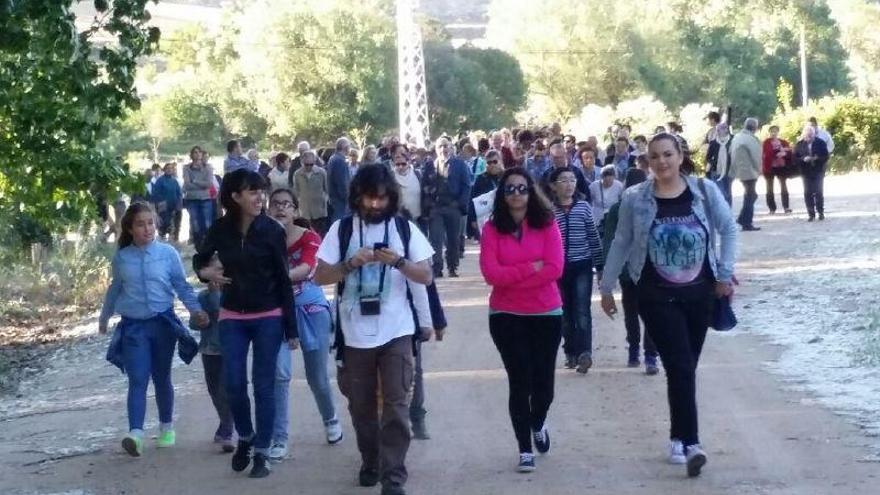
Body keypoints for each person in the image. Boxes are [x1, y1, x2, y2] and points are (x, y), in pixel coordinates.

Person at [600, 133, 737, 478]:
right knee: (678, 363)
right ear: (647, 161)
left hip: (700, 292)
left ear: (680, 156)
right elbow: (622, 241)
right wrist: (606, 286)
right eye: (655, 157)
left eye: (667, 155)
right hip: (655, 294)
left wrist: (725, 273)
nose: (662, 162)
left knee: (686, 365)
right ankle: (691, 443)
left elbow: (729, 230)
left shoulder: (704, 192)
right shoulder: (635, 198)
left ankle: (678, 435)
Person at [314, 164, 434, 495]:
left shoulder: (404, 229)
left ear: (391, 198)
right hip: (354, 335)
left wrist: (398, 262)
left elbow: (425, 276)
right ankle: (371, 460)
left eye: (382, 198)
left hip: (397, 331)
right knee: (361, 406)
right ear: (357, 197)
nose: (376, 205)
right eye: (369, 198)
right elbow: (320, 276)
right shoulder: (341, 230)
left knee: (396, 404)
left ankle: (393, 476)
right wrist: (350, 264)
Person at [193, 169, 298, 479]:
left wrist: (291, 328)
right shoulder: (220, 229)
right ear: (235, 197)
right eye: (252, 191)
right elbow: (200, 259)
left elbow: (283, 280)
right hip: (232, 317)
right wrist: (205, 273)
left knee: (264, 385)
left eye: (261, 191)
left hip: (268, 316)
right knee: (234, 384)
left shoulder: (272, 231)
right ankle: (246, 437)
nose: (260, 197)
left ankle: (262, 452)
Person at [99, 202, 209, 457]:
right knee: (137, 378)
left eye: (150, 222)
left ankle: (166, 427)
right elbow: (115, 288)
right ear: (130, 228)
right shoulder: (122, 257)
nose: (147, 228)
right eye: (140, 224)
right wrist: (104, 317)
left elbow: (181, 286)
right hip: (134, 327)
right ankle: (135, 433)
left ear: (156, 224)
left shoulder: (168, 254)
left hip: (163, 324)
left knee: (161, 377)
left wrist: (195, 310)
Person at [480, 168, 564, 473]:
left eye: (522, 188)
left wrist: (512, 277)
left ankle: (538, 422)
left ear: (531, 192)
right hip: (506, 315)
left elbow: (555, 268)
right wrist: (531, 268)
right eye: (510, 189)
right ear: (502, 195)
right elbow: (491, 274)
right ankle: (524, 449)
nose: (516, 194)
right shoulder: (491, 230)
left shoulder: (547, 224)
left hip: (545, 313)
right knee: (520, 381)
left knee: (544, 387)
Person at [266, 189, 343, 461]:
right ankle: (279, 438)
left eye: (287, 205)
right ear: (267, 209)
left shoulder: (310, 238)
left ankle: (331, 418)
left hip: (311, 311)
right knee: (279, 376)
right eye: (275, 204)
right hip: (274, 314)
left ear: (296, 211)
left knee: (317, 377)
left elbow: (308, 268)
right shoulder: (262, 239)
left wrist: (274, 277)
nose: (281, 209)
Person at [601, 169, 659, 374]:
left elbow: (610, 242)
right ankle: (650, 356)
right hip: (649, 269)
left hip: (626, 270)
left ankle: (634, 351)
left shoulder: (617, 209)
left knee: (631, 312)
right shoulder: (652, 205)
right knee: (651, 313)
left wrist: (607, 273)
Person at [549, 167, 603, 374]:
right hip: (558, 269)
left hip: (582, 266)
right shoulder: (549, 211)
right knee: (563, 312)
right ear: (554, 186)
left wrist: (600, 267)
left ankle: (584, 353)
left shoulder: (583, 208)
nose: (569, 184)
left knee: (582, 310)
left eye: (572, 180)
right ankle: (570, 352)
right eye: (563, 180)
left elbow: (593, 237)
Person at [189, 259, 236, 453]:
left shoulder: (232, 295)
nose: (216, 275)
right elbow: (194, 323)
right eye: (212, 270)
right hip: (209, 349)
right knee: (214, 390)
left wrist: (216, 294)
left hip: (229, 349)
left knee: (226, 389)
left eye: (220, 270)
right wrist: (201, 321)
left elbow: (221, 312)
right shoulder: (202, 296)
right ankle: (225, 422)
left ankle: (229, 429)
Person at [422, 137, 471, 278]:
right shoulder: (430, 165)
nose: (443, 149)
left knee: (453, 239)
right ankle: (437, 268)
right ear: (436, 149)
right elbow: (424, 185)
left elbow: (467, 185)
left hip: (453, 207)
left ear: (451, 148)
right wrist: (427, 206)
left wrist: (461, 204)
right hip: (436, 208)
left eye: (446, 146)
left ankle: (452, 266)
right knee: (435, 239)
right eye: (440, 147)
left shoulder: (460, 165)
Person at [730, 118, 763, 231]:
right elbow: (756, 156)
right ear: (754, 127)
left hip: (740, 170)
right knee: (751, 196)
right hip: (749, 171)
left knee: (750, 195)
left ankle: (743, 219)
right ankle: (746, 221)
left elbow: (731, 153)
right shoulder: (750, 139)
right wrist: (759, 169)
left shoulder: (737, 137)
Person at [794, 125, 830, 222]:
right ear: (804, 135)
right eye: (807, 136)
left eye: (811, 135)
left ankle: (820, 212)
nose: (809, 138)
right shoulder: (799, 144)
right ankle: (811, 214)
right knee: (807, 192)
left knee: (818, 191)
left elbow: (826, 156)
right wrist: (803, 159)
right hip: (805, 172)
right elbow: (794, 159)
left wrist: (817, 158)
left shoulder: (820, 143)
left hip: (818, 170)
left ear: (814, 134)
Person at [183, 146, 215, 248]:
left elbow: (209, 184)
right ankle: (198, 246)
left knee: (207, 223)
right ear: (191, 155)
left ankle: (208, 245)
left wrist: (195, 181)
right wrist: (202, 185)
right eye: (195, 152)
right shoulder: (186, 168)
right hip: (192, 199)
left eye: (199, 152)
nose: (197, 154)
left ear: (202, 154)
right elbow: (187, 185)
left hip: (206, 199)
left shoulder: (208, 167)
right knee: (195, 223)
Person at [293, 150, 330, 236]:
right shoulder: (297, 174)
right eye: (307, 164)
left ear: (314, 162)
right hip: (305, 210)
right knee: (308, 234)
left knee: (321, 234)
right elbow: (296, 190)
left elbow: (327, 189)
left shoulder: (321, 172)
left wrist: (325, 200)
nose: (309, 167)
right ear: (302, 162)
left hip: (319, 210)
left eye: (311, 164)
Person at [468, 150, 504, 235]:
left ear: (500, 161)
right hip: (486, 219)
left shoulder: (507, 176)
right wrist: (473, 219)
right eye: (489, 162)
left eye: (495, 162)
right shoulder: (480, 179)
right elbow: (472, 200)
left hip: (505, 217)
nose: (492, 165)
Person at [762, 126, 794, 214]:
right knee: (769, 188)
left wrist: (784, 153)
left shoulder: (783, 142)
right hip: (770, 167)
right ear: (769, 132)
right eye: (772, 131)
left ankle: (786, 207)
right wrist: (778, 152)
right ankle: (772, 208)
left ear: (778, 132)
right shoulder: (766, 142)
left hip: (781, 167)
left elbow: (789, 153)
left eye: (775, 131)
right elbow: (768, 153)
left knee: (783, 186)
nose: (773, 133)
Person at [151, 162, 183, 242]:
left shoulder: (174, 181)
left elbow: (179, 193)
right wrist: (161, 202)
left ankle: (174, 238)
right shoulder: (160, 180)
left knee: (175, 223)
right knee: (164, 222)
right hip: (163, 206)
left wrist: (179, 203)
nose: (169, 170)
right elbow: (156, 193)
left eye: (171, 168)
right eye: (167, 168)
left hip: (174, 205)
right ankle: (162, 237)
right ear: (164, 170)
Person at [705, 123, 734, 206]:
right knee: (721, 192)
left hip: (729, 170)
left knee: (728, 192)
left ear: (727, 130)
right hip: (716, 171)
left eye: (724, 129)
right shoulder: (713, 143)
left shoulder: (732, 140)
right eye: (719, 129)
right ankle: (723, 211)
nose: (720, 131)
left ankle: (728, 212)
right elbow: (708, 157)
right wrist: (712, 162)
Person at [589, 165, 624, 230]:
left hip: (612, 216)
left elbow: (622, 200)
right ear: (601, 178)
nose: (607, 183)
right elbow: (589, 200)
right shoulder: (593, 186)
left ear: (614, 178)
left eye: (610, 180)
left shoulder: (619, 186)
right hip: (597, 217)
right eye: (605, 181)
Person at [328, 137, 353, 223]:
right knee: (340, 224)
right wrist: (348, 198)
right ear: (345, 147)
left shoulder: (333, 158)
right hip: (340, 201)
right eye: (349, 146)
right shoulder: (340, 161)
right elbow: (343, 183)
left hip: (335, 198)